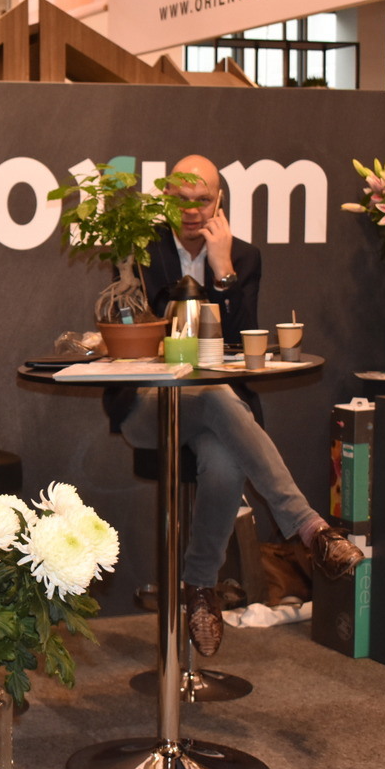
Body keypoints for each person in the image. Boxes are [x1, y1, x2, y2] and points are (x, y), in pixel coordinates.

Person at [103, 154, 364, 657]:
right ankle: (309, 527)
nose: (193, 210)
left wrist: (223, 273)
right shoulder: (138, 250)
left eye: (203, 199)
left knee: (223, 457)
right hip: (148, 405)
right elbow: (140, 328)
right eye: (182, 200)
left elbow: (242, 346)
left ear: (219, 201)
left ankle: (200, 588)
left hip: (214, 410)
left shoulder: (243, 256)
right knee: (219, 398)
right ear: (165, 199)